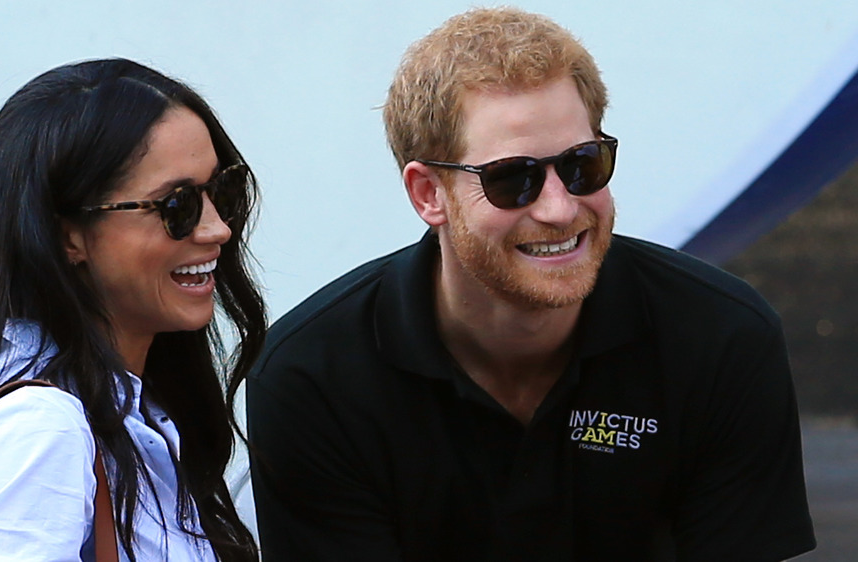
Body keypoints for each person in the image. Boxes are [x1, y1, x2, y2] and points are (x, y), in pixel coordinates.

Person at [247, 8, 815, 561]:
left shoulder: (722, 336)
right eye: (512, 178)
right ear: (427, 195)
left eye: (581, 165)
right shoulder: (311, 375)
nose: (560, 208)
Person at [0, 58, 265, 561]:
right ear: (67, 235)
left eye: (221, 191)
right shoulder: (40, 429)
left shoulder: (130, 411)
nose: (217, 228)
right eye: (177, 205)